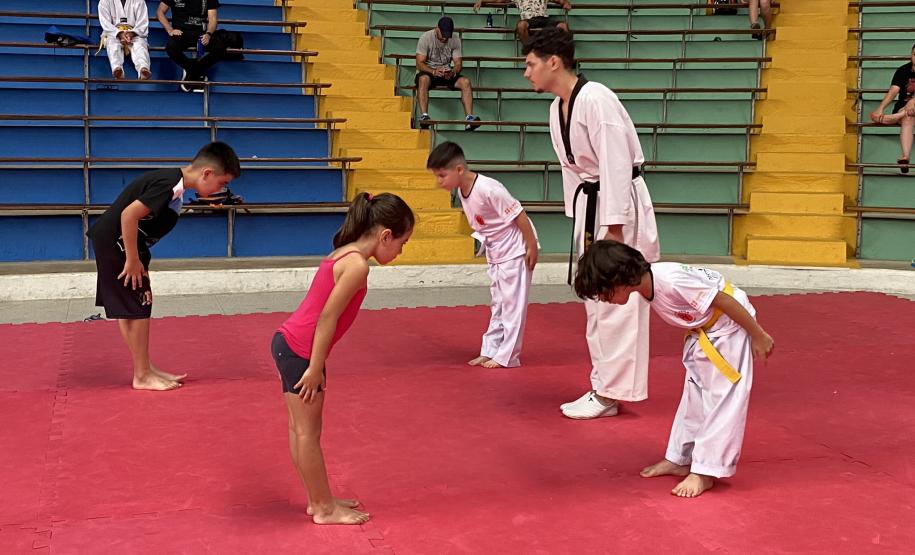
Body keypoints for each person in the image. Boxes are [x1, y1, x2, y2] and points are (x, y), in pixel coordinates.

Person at [523, 27, 660, 419]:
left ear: (554, 61)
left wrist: (613, 229)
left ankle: (610, 393)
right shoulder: (557, 108)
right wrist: (579, 219)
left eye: (531, 64)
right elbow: (574, 172)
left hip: (618, 208)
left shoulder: (596, 98)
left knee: (617, 299)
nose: (526, 72)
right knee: (595, 299)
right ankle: (603, 386)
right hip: (592, 206)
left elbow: (616, 163)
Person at [573, 240, 774, 498]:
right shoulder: (649, 285)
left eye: (602, 291)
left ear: (620, 279)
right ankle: (680, 458)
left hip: (731, 327)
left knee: (724, 399)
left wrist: (758, 335)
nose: (602, 298)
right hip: (706, 331)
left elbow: (723, 299)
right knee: (695, 398)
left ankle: (706, 472)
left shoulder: (671, 281)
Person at [272, 192, 414, 524]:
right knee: (307, 432)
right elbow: (327, 317)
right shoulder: (357, 265)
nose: (401, 251)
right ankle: (323, 508)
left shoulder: (344, 252)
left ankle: (317, 499)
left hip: (289, 343)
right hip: (302, 352)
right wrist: (315, 366)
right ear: (385, 235)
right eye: (402, 242)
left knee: (299, 429)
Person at [87, 142, 241, 391]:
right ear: (206, 173)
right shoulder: (169, 183)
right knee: (140, 303)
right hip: (119, 244)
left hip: (125, 243)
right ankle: (142, 375)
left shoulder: (175, 187)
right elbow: (128, 215)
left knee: (131, 306)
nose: (219, 190)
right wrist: (132, 258)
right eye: (222, 183)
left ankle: (144, 367)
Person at [427, 141, 539, 368]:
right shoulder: (462, 189)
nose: (439, 182)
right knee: (498, 303)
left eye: (441, 175)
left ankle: (508, 356)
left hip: (516, 249)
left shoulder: (489, 189)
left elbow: (519, 214)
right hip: (497, 250)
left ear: (459, 169)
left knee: (513, 304)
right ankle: (490, 350)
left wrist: (531, 246)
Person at [415, 17, 482, 131]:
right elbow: (419, 64)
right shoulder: (426, 37)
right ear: (437, 29)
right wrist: (433, 71)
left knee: (465, 82)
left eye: (448, 35)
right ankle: (424, 116)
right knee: (423, 80)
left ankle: (469, 119)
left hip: (446, 72)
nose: (445, 38)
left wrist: (453, 72)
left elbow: (458, 63)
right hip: (429, 71)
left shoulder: (455, 39)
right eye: (443, 34)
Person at [156, 0, 224, 92]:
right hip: (181, 33)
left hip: (201, 34)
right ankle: (193, 70)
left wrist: (208, 34)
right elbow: (160, 12)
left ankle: (193, 71)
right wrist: (169, 29)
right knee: (171, 47)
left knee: (220, 48)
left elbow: (213, 19)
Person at [869, 43, 915, 173]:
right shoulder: (903, 70)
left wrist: (913, 101)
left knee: (910, 109)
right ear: (911, 56)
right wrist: (880, 108)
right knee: (908, 118)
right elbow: (893, 91)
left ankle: (895, 117)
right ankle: (905, 157)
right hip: (906, 110)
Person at [473, 0, 571, 45]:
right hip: (529, 20)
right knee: (520, 25)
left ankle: (564, 56)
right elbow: (498, 0)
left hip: (544, 19)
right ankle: (530, 50)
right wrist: (482, 1)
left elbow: (561, 1)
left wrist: (566, 3)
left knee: (563, 26)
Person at [98, 0, 151, 80]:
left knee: (139, 44)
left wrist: (132, 33)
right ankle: (117, 69)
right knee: (112, 44)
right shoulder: (104, 1)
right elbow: (105, 23)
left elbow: (142, 23)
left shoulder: (140, 1)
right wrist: (119, 33)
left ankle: (143, 69)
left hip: (134, 32)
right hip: (113, 32)